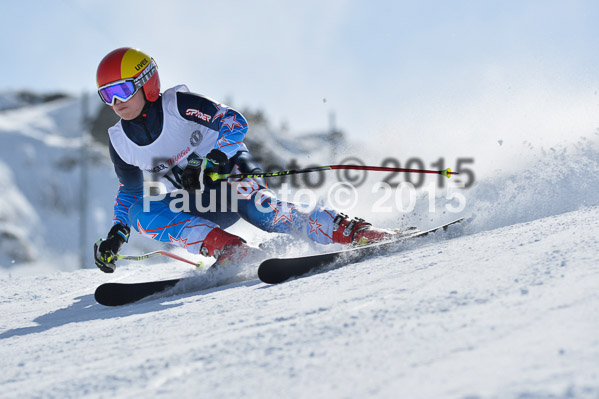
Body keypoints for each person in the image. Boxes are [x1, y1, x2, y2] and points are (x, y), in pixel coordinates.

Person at [93, 47, 397, 273]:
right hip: (203, 202)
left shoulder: (178, 106)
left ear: (147, 82)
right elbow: (130, 194)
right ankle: (231, 250)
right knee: (139, 212)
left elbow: (234, 122)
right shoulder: (120, 142)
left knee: (260, 212)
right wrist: (116, 238)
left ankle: (350, 231)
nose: (116, 103)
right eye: (107, 96)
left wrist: (212, 160)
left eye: (121, 90)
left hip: (232, 175)